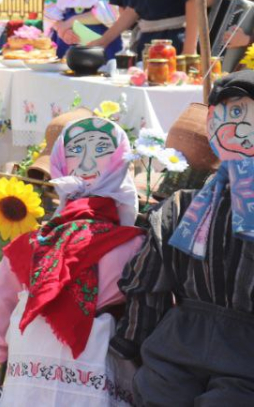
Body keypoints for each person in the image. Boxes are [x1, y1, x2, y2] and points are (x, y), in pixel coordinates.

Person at [0, 115, 143, 405]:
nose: (87, 162)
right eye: (77, 150)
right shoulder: (136, 248)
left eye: (101, 149)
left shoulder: (25, 248)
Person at [111, 70, 254, 404]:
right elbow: (145, 284)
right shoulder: (179, 208)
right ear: (211, 122)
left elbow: (146, 288)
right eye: (234, 113)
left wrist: (131, 344)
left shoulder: (179, 207)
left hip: (175, 352)